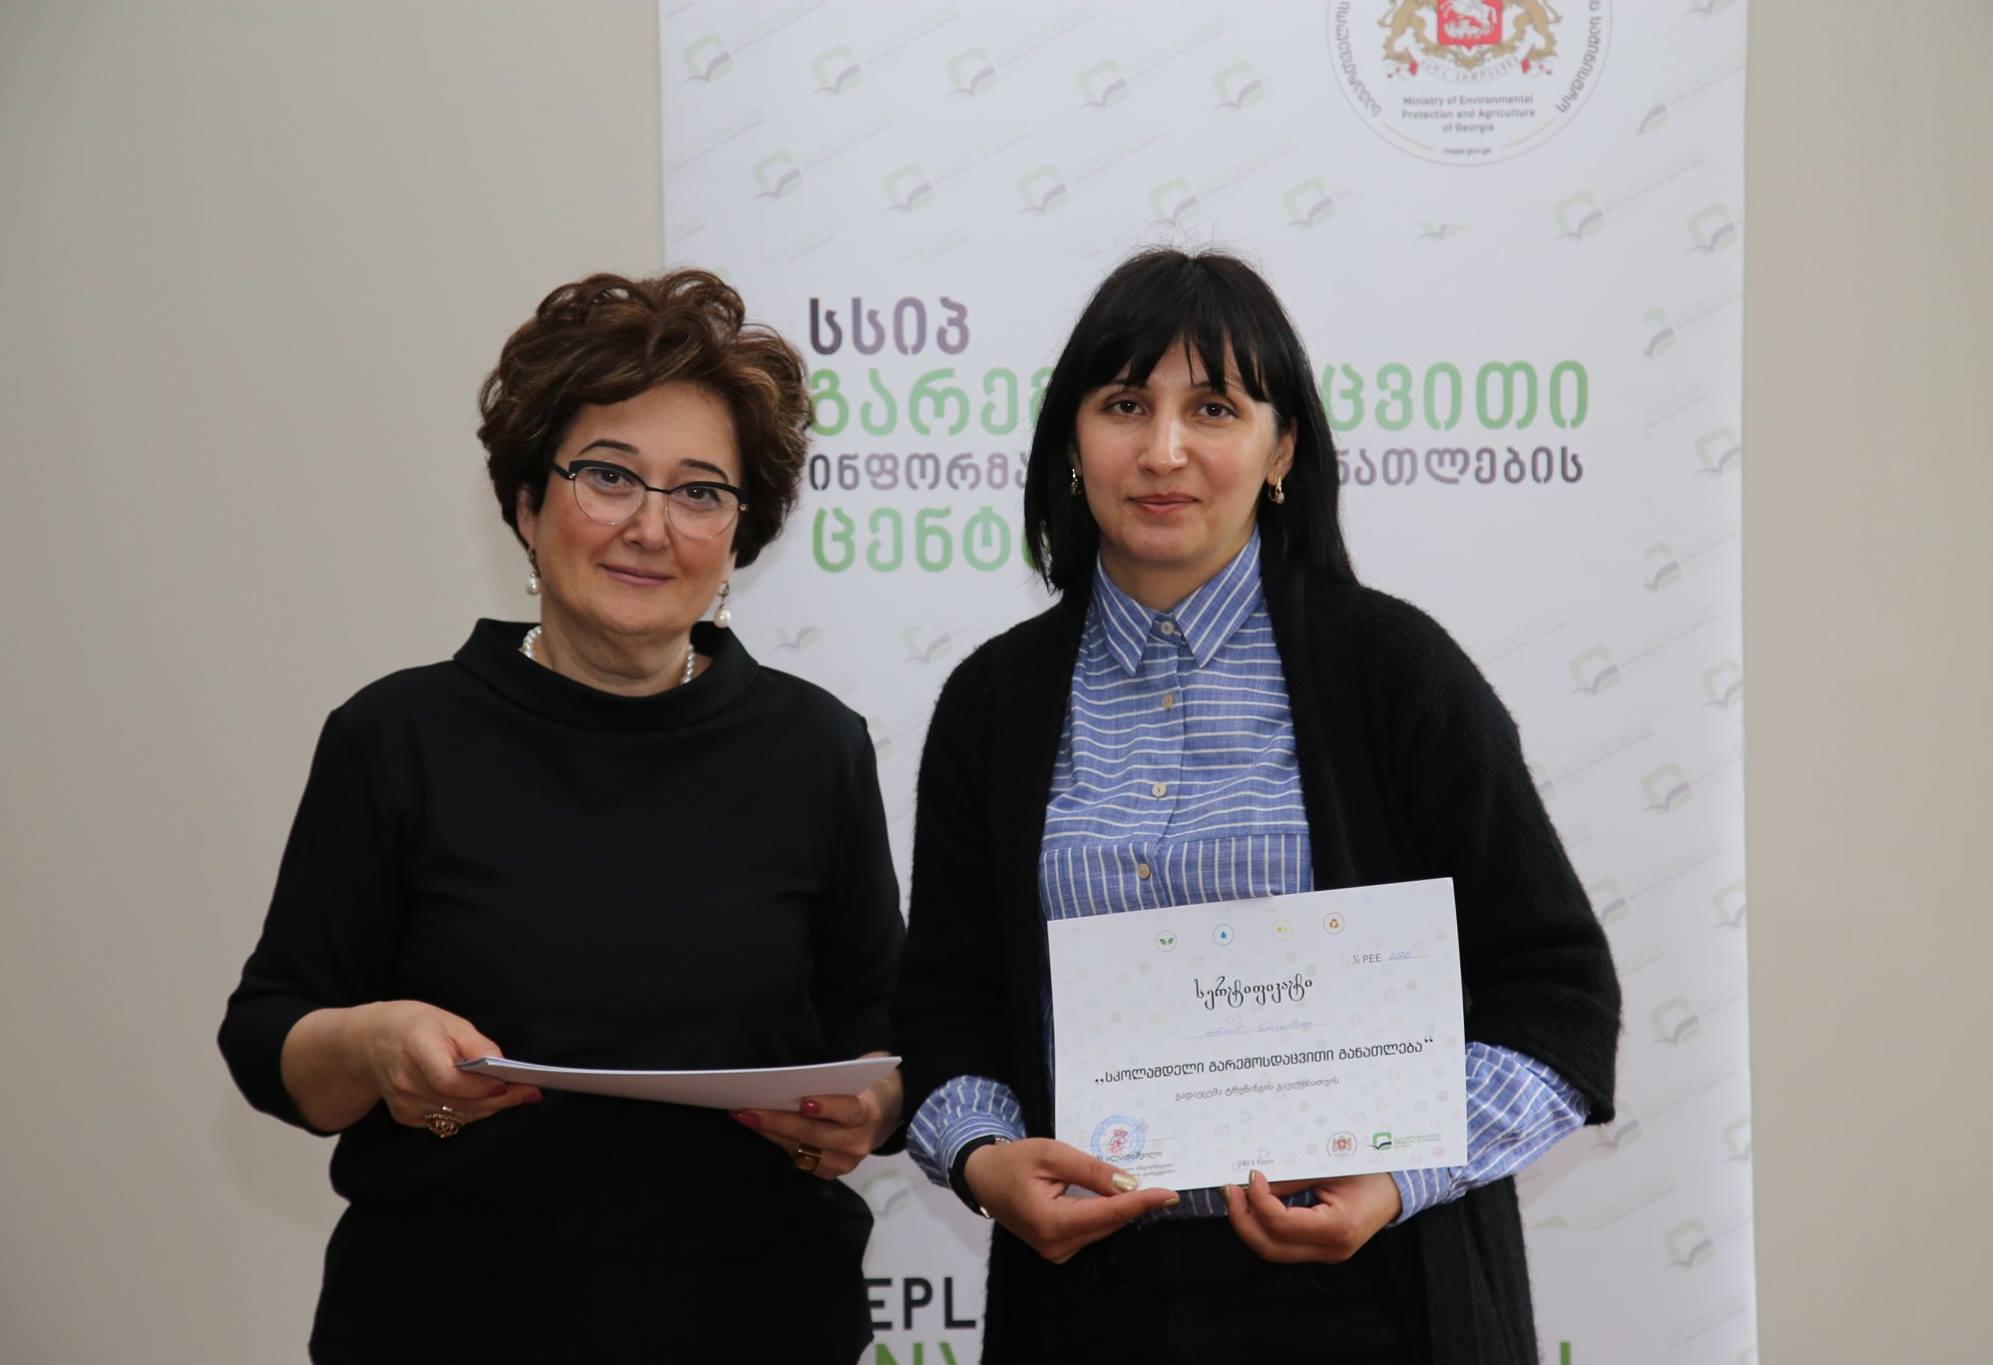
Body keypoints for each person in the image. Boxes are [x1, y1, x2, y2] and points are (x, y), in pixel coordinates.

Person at [894, 249, 1622, 1364]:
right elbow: (947, 1004)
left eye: (1214, 408)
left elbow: (1558, 995)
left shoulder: (1394, 672)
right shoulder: (992, 703)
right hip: (1086, 1312)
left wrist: (1399, 1174)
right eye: (1124, 404)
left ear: (1281, 451)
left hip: (1382, 1307)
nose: (1163, 449)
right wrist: (984, 1157)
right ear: (1070, 442)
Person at [218, 269, 905, 1362]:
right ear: (529, 505)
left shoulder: (815, 746)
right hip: (441, 1327)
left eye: (699, 492)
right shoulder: (396, 736)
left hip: (755, 1323)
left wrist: (873, 1105)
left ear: (740, 535)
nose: (650, 526)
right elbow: (269, 1043)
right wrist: (375, 1042)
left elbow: (881, 1027)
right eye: (609, 476)